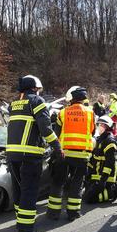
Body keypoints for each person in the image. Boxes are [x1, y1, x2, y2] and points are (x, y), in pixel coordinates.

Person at [6, 75, 63, 232]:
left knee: (18, 189)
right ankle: (26, 230)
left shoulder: (13, 104)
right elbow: (45, 129)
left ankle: (20, 222)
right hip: (29, 156)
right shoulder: (37, 102)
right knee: (29, 192)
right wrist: (57, 147)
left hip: (12, 155)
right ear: (35, 88)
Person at [46, 86, 95, 221]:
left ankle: (53, 213)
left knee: (58, 182)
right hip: (82, 155)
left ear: (71, 99)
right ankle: (73, 213)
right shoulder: (91, 113)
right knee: (77, 183)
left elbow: (56, 133)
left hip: (64, 154)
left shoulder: (62, 113)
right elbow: (92, 132)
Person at [83, 115, 117, 204]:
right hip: (96, 176)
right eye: (99, 125)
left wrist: (103, 181)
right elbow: (93, 159)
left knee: (89, 199)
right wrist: (87, 175)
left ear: (107, 127)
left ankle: (114, 191)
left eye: (102, 125)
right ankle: (108, 191)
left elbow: (109, 163)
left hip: (106, 179)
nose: (99, 127)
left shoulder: (110, 142)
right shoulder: (99, 140)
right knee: (85, 196)